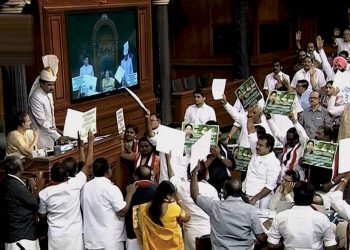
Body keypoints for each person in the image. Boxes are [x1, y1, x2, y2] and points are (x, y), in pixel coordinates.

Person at [38, 131, 94, 250]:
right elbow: (87, 165)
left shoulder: (44, 194)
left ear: (51, 177)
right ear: (66, 176)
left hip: (56, 236)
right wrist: (90, 142)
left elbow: (42, 214)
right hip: (75, 234)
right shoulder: (74, 184)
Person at [190, 166, 267, 250]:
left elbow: (195, 195)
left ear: (225, 192)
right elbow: (261, 238)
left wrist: (194, 174)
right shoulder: (250, 210)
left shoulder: (215, 207)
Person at [81, 157, 137, 250]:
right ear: (108, 171)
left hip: (91, 241)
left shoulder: (85, 187)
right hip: (110, 241)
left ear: (93, 172)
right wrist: (130, 194)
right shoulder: (111, 188)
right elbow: (122, 211)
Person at [166, 153, 218, 250]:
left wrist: (168, 159)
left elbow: (171, 177)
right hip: (208, 231)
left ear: (188, 173)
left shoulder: (182, 186)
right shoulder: (212, 189)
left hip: (191, 232)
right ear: (205, 174)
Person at [267, 181, 337, 250]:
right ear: (312, 198)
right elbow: (331, 246)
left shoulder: (280, 217)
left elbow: (272, 245)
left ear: (294, 196)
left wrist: (285, 243)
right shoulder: (322, 219)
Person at [0, 156, 45, 250]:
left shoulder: (9, 182)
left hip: (21, 236)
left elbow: (24, 201)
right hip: (21, 239)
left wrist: (32, 188)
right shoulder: (14, 185)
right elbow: (34, 203)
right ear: (19, 168)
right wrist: (40, 182)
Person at [134, 180, 191, 250]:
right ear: (168, 195)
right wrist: (179, 200)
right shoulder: (173, 208)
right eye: (172, 195)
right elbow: (187, 217)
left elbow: (137, 227)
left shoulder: (142, 208)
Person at [243, 110, 280, 208]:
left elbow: (270, 186)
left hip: (260, 200)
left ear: (269, 148)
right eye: (257, 144)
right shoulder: (256, 151)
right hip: (246, 193)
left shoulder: (274, 162)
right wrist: (250, 116)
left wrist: (255, 199)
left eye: (261, 145)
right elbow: (250, 130)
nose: (257, 147)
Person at [28, 55, 65, 148]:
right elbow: (42, 122)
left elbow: (51, 118)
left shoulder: (48, 93)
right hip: (41, 138)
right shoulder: (35, 97)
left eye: (53, 84)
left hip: (51, 136)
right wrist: (57, 136)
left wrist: (59, 132)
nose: (52, 88)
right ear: (41, 83)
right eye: (49, 85)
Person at [125, 166, 158, 250]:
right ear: (150, 176)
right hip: (152, 235)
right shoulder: (158, 189)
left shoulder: (129, 190)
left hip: (133, 236)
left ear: (135, 176)